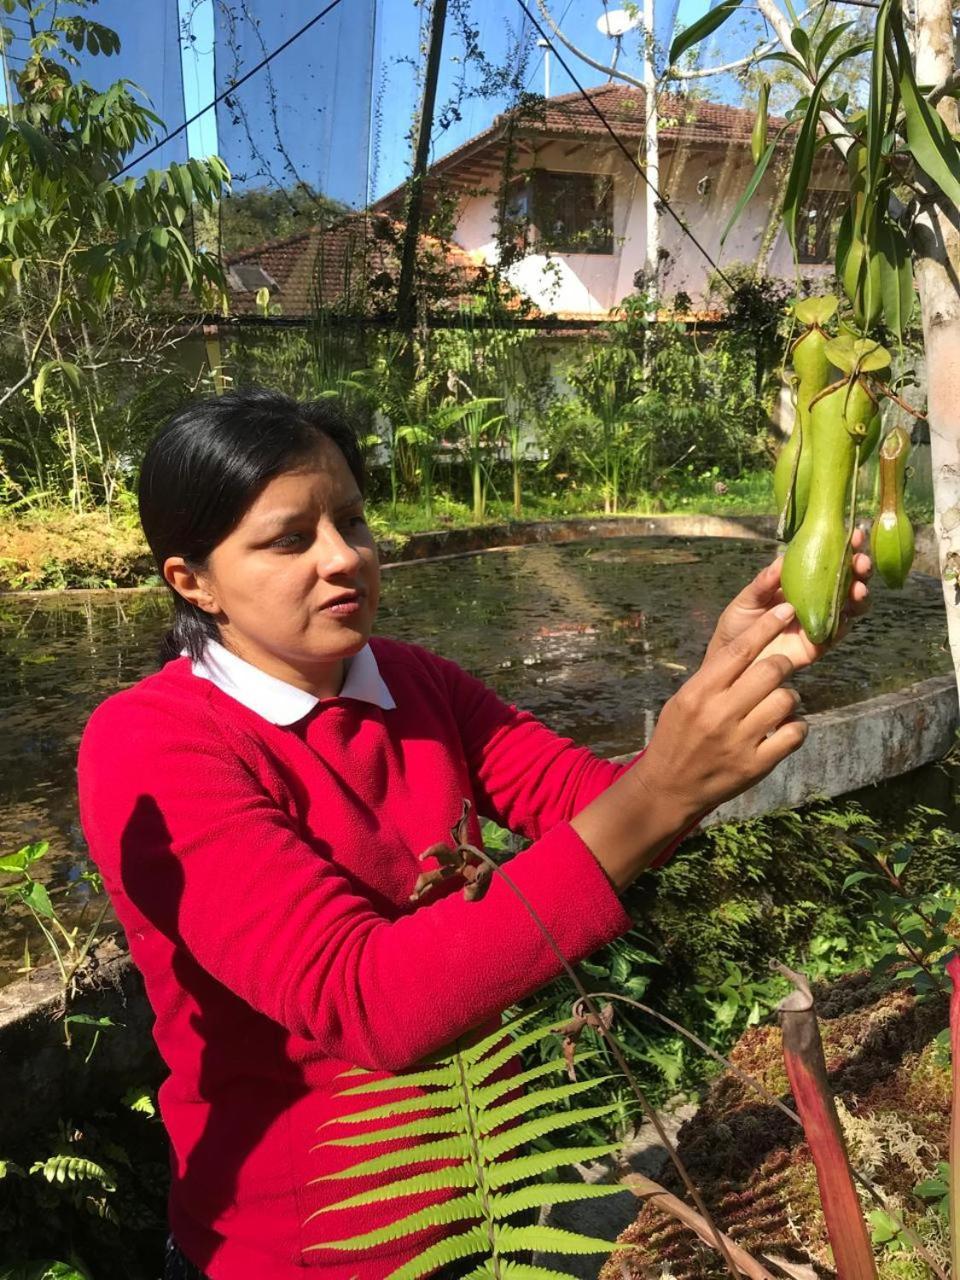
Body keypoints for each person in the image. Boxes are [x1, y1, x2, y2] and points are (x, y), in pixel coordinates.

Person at [77, 388, 871, 1280]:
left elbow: (596, 806)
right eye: (290, 539)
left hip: (499, 1197)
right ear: (193, 581)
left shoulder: (409, 683)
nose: (345, 558)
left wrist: (734, 672)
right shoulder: (154, 742)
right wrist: (660, 791)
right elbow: (365, 1001)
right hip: (314, 1255)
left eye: (351, 519)